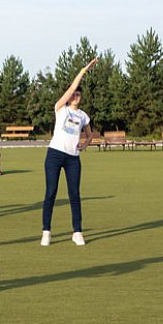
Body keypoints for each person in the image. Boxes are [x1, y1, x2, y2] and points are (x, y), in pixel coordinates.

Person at [41, 58, 97, 247]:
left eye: (79, 95)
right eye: (74, 94)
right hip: (55, 155)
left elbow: (90, 134)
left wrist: (85, 144)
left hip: (73, 158)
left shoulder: (83, 115)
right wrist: (83, 71)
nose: (76, 96)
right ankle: (46, 231)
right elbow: (72, 87)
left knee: (74, 194)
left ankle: (77, 232)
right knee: (51, 192)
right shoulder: (60, 108)